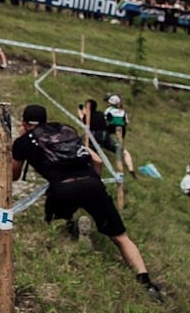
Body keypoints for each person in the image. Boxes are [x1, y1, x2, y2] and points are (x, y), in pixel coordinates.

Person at [11, 105, 163, 301]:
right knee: (120, 237)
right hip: (92, 185)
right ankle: (146, 283)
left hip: (62, 189)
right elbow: (98, 161)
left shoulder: (23, 142)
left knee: (55, 229)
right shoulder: (65, 131)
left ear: (23, 122)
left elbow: (14, 175)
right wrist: (94, 185)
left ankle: (73, 243)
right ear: (46, 121)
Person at [101, 93, 136, 177]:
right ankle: (131, 170)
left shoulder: (108, 109)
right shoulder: (122, 111)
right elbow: (126, 122)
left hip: (111, 127)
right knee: (122, 149)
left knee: (104, 136)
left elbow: (104, 119)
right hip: (122, 129)